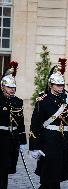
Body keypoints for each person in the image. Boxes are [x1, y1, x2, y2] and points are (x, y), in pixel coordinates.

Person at [29, 58, 68, 189]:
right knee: (48, 175)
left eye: (62, 85)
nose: (61, 87)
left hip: (64, 140)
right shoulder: (43, 100)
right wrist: (34, 146)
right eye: (58, 85)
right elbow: (35, 124)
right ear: (51, 85)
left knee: (57, 175)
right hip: (48, 140)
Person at [0, 61, 27, 189]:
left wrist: (22, 141)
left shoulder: (18, 101)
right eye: (9, 87)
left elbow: (20, 122)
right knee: (2, 168)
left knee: (9, 167)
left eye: (13, 87)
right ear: (2, 87)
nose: (12, 89)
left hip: (13, 138)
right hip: (1, 138)